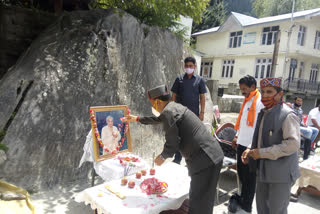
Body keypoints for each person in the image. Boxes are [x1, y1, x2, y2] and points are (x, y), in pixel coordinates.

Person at [126, 85, 224, 214]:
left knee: (198, 200)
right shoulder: (174, 107)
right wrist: (137, 119)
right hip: (213, 155)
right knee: (205, 198)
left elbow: (173, 142)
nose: (153, 107)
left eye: (152, 104)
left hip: (204, 160)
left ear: (157, 102)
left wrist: (162, 156)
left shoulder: (168, 112)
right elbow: (158, 119)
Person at [242, 77, 300, 214]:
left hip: (281, 175)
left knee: (276, 210)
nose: (265, 95)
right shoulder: (264, 112)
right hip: (263, 171)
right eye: (263, 92)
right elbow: (261, 136)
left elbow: (292, 144)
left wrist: (261, 153)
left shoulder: (288, 115)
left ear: (280, 94)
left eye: (270, 91)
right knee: (262, 209)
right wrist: (250, 148)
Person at [228, 75, 264, 214]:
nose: (242, 91)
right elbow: (243, 122)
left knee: (250, 178)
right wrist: (236, 136)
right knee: (242, 176)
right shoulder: (247, 101)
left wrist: (250, 146)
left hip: (251, 147)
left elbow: (257, 127)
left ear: (253, 87)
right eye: (241, 89)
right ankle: (243, 202)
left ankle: (247, 208)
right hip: (241, 144)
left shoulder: (259, 101)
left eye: (244, 89)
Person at [171, 56, 207, 164]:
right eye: (186, 66)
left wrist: (202, 112)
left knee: (192, 137)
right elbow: (174, 95)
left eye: (190, 66)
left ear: (195, 66)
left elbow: (202, 97)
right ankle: (177, 158)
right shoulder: (179, 79)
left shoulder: (200, 80)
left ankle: (190, 159)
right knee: (179, 136)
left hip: (193, 114)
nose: (188, 68)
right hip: (180, 113)